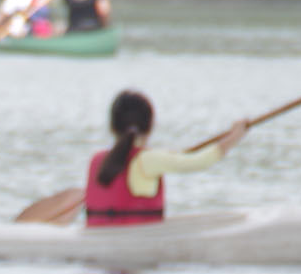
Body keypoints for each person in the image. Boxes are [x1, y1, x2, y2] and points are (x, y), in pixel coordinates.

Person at [85, 90, 247, 228]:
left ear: (112, 126)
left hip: (99, 239)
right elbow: (200, 161)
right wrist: (234, 137)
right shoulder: (148, 160)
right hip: (134, 244)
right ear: (150, 125)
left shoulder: (97, 160)